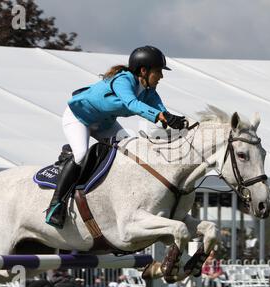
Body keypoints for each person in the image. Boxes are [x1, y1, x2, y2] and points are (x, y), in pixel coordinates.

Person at [45, 45, 187, 228]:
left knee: (130, 151)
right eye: (158, 71)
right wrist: (161, 116)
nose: (161, 76)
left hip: (104, 123)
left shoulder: (148, 90)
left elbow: (162, 112)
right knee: (80, 155)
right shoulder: (123, 80)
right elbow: (131, 104)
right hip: (79, 117)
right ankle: (56, 205)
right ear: (143, 70)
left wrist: (176, 122)